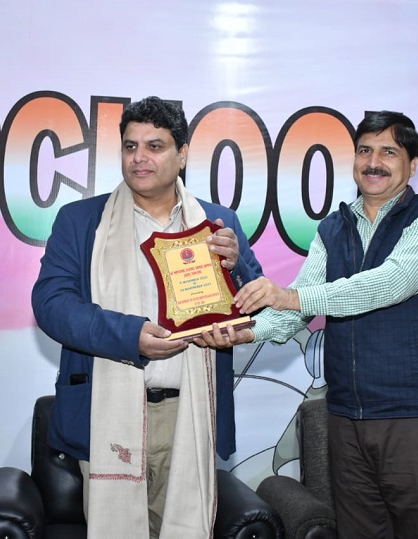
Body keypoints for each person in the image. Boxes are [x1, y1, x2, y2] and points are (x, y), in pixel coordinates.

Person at [199, 110, 418, 539]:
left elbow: (387, 285)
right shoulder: (333, 228)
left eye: (388, 152)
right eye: (364, 151)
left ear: (413, 163)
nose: (373, 162)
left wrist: (288, 296)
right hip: (345, 419)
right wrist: (244, 332)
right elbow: (299, 304)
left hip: (416, 419)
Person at [31, 96, 263, 538]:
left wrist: (237, 269)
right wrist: (129, 336)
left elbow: (259, 311)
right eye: (130, 146)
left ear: (183, 154)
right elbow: (51, 304)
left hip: (189, 414)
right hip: (107, 411)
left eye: (155, 146)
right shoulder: (81, 221)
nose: (139, 157)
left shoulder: (219, 222)